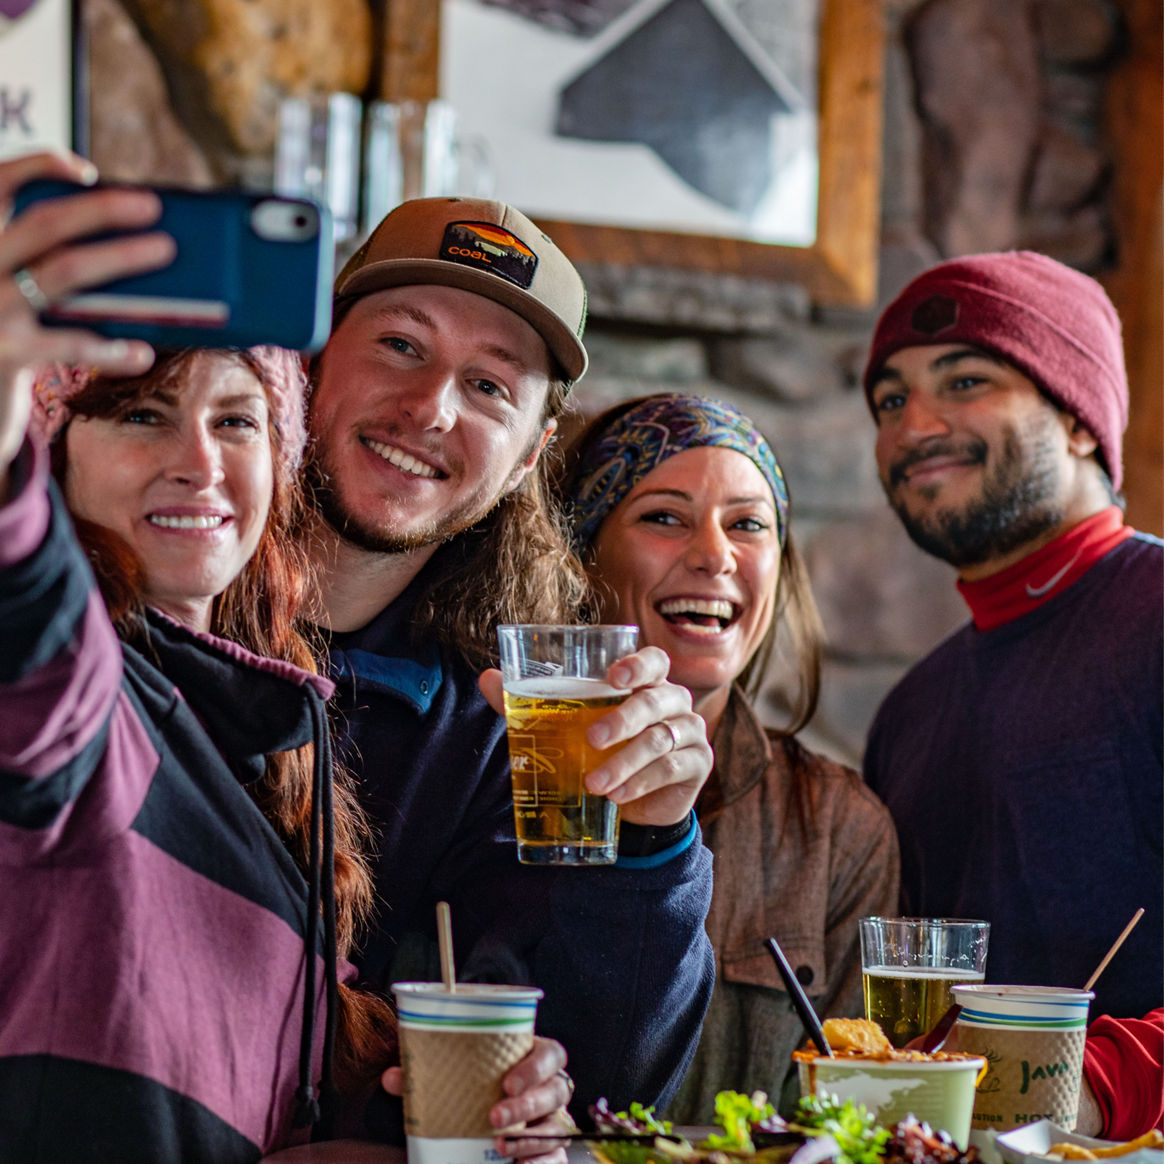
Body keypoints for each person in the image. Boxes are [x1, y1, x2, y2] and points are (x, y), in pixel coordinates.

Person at [0, 151, 571, 1162]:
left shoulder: (262, 731)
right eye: (141, 414)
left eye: (237, 420)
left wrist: (464, 1113)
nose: (200, 461)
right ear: (52, 448)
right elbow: (29, 630)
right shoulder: (88, 689)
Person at [302, 198, 717, 1124]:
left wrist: (650, 845)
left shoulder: (501, 722)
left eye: (489, 386)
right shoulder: (161, 607)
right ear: (310, 361)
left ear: (530, 457)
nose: (430, 408)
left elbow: (609, 1080)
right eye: (401, 345)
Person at [861, 250, 1162, 1134]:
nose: (917, 425)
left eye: (965, 381)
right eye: (890, 400)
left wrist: (1099, 1084)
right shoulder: (909, 709)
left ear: (1077, 419)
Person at [555, 393, 900, 1120]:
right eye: (664, 517)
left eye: (748, 524)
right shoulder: (497, 776)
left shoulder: (840, 828)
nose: (714, 555)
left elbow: (854, 1122)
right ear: (582, 555)